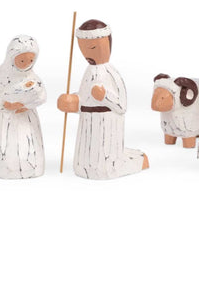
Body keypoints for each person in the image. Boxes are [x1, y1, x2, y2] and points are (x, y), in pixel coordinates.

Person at [57, 19, 148, 180]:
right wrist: (72, 101)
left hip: (106, 125)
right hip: (87, 124)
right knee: (84, 160)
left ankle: (139, 161)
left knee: (105, 165)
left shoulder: (111, 73)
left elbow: (122, 106)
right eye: (83, 49)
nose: (87, 54)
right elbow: (84, 99)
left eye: (92, 48)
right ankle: (85, 167)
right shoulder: (88, 72)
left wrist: (105, 96)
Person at [0, 35, 47, 179]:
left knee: (28, 146)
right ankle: (6, 166)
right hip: (7, 120)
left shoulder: (33, 78)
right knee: (9, 146)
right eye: (22, 60)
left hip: (27, 119)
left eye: (30, 60)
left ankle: (31, 166)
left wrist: (27, 105)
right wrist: (6, 104)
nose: (26, 64)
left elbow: (42, 97)